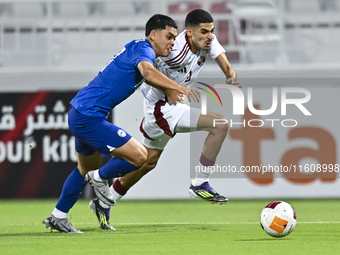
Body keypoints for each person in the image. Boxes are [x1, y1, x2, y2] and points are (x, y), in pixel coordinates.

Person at [89, 9, 241, 230]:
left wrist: (229, 72)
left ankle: (104, 200)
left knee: (148, 162)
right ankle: (200, 182)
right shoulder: (174, 50)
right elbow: (147, 73)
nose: (210, 36)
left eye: (212, 31)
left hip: (173, 105)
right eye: (204, 32)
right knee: (220, 124)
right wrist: (170, 89)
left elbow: (219, 55)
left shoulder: (207, 41)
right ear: (189, 32)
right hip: (162, 107)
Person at [44, 14, 193, 233]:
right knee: (141, 157)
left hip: (80, 111)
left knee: (85, 169)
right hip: (89, 116)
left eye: (174, 38)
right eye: (169, 36)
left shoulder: (137, 47)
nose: (172, 42)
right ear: (153, 35)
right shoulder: (145, 51)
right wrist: (179, 87)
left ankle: (58, 216)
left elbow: (148, 74)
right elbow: (148, 73)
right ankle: (100, 179)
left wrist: (169, 89)